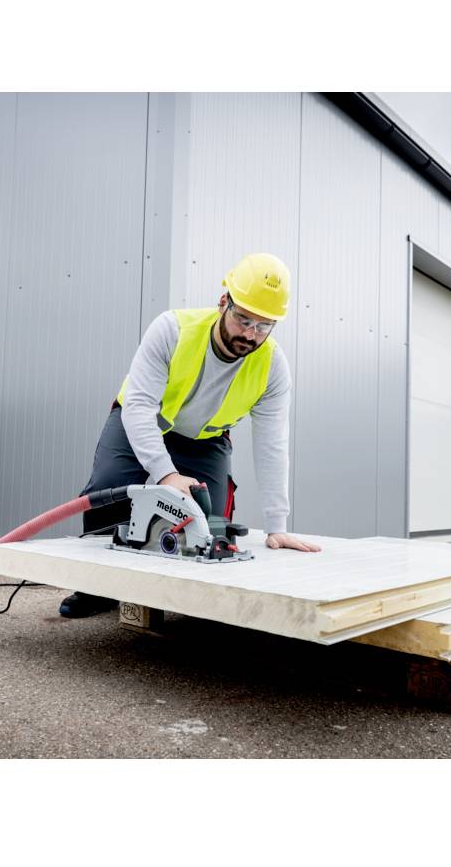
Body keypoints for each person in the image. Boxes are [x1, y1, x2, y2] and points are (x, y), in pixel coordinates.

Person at [60, 252, 321, 618]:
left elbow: (272, 445)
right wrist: (165, 474)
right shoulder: (172, 329)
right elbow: (138, 408)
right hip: (143, 421)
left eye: (264, 326)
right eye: (243, 318)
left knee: (208, 520)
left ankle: (185, 593)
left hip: (205, 442)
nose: (250, 334)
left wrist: (277, 525)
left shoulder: (273, 367)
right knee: (109, 491)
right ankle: (98, 588)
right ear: (222, 302)